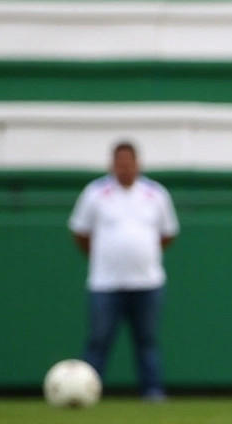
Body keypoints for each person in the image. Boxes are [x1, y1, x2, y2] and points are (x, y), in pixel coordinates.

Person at [68, 140, 179, 401]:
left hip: (147, 283)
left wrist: (142, 255)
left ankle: (152, 391)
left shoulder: (156, 194)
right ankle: (85, 392)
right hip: (105, 284)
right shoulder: (95, 193)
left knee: (147, 341)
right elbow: (81, 233)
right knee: (98, 340)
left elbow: (167, 234)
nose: (125, 168)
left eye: (129, 162)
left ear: (137, 164)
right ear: (113, 164)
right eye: (120, 163)